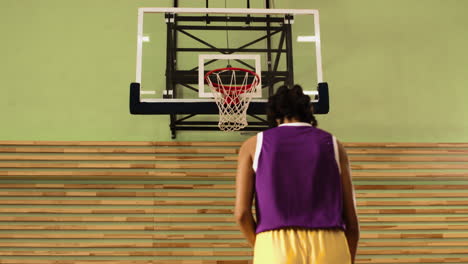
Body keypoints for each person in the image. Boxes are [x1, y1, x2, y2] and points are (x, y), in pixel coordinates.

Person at [234, 85, 360, 263]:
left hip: (275, 246)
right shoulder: (334, 145)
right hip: (331, 242)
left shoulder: (253, 145)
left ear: (275, 116)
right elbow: (352, 221)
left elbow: (241, 214)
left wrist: (263, 248)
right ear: (309, 112)